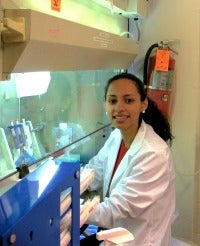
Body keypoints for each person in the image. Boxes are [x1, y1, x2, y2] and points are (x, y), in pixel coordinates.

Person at [80, 72, 176, 246]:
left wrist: (65, 211)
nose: (119, 108)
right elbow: (93, 172)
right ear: (105, 104)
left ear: (143, 104)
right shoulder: (116, 136)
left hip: (140, 241)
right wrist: (66, 187)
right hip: (116, 235)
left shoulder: (154, 154)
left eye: (129, 100)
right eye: (112, 100)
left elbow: (113, 210)